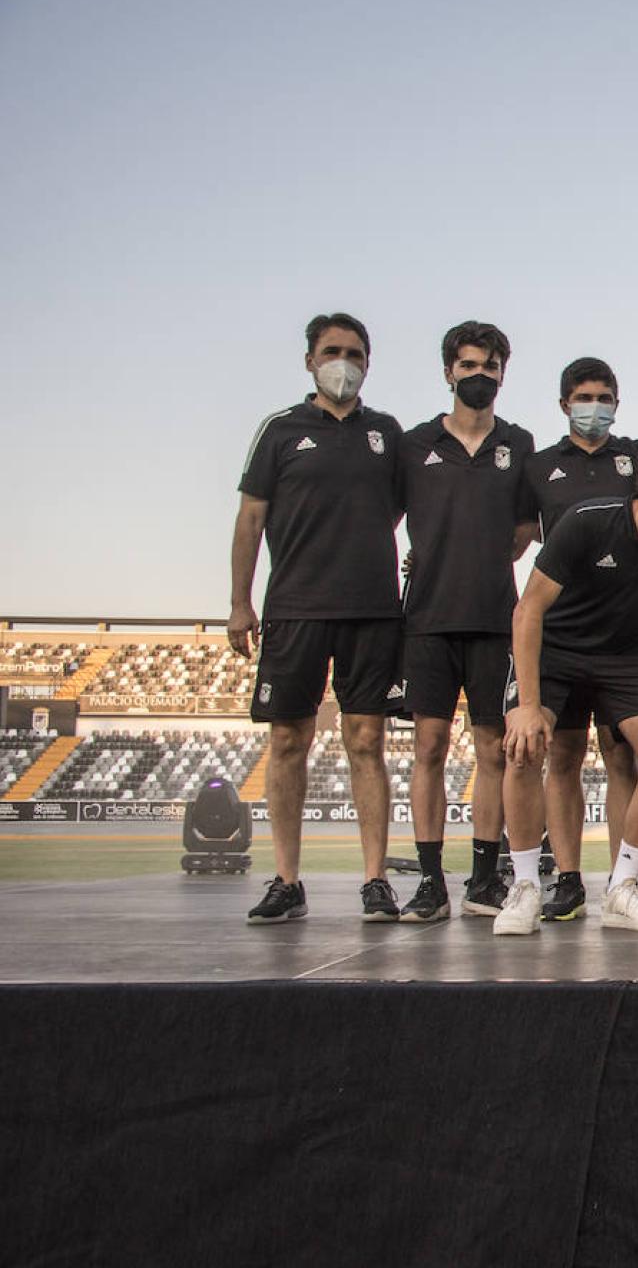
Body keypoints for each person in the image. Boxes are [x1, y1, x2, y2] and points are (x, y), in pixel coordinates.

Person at [496, 429, 638, 935]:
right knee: (525, 745)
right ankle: (526, 885)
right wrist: (528, 704)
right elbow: (528, 610)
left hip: (625, 656)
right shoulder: (587, 521)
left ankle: (622, 887)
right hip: (557, 648)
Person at [231, 313, 404, 923]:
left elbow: (407, 513)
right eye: (332, 351)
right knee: (287, 740)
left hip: (372, 609)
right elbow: (250, 520)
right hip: (296, 607)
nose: (344, 362)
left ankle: (375, 879)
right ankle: (285, 879)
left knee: (366, 742)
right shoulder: (280, 430)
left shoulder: (386, 433)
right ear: (309, 360)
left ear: (368, 363)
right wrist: (239, 602)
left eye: (355, 353)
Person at [394, 321, 538, 923]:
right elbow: (387, 516)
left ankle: (483, 878)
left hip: (492, 617)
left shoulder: (520, 444)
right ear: (449, 370)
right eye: (469, 364)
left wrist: (486, 554)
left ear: (503, 372)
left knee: (492, 751)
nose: (480, 375)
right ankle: (430, 881)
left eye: (491, 365)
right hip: (426, 617)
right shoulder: (413, 444)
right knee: (427, 747)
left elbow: (529, 528)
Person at [521, 356, 638, 922]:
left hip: (621, 635)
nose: (596, 406)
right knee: (562, 756)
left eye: (605, 396)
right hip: (561, 634)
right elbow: (517, 537)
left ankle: (623, 881)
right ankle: (567, 878)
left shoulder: (635, 459)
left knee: (622, 760)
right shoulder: (540, 466)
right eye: (585, 396)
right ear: (565, 403)